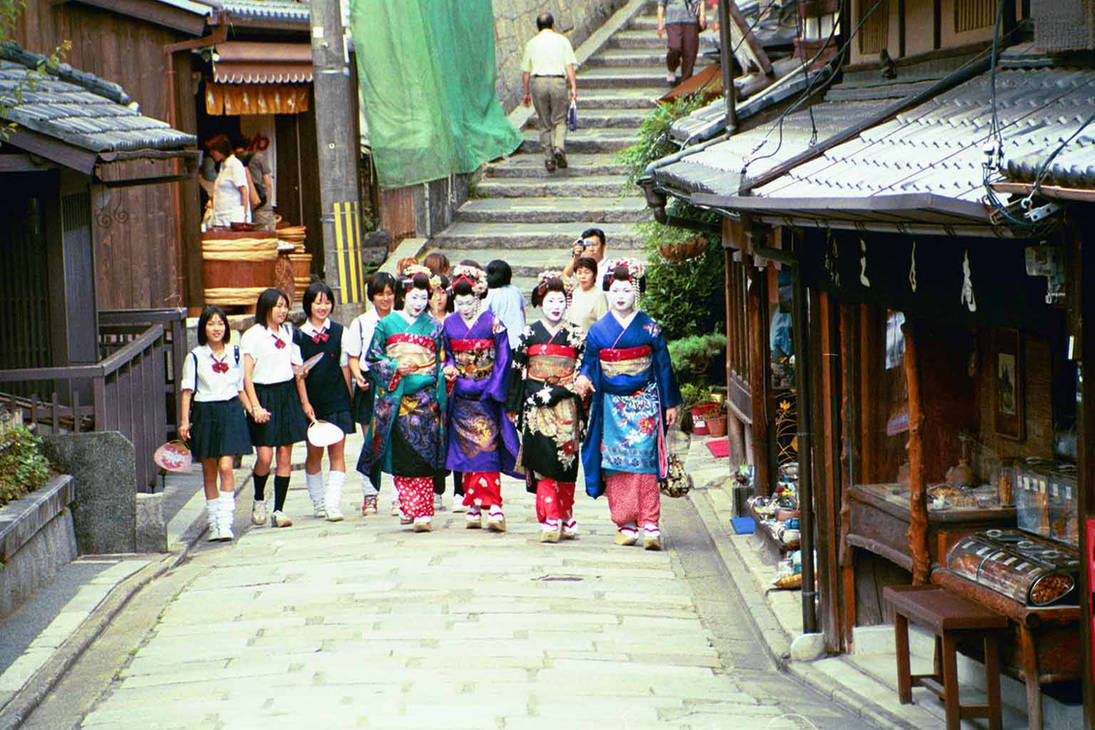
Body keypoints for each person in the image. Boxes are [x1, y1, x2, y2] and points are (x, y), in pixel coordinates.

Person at [574, 259, 682, 550]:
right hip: (611, 404)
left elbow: (663, 367)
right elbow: (588, 363)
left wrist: (670, 403)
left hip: (644, 399)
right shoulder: (598, 331)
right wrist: (583, 378)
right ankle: (625, 523)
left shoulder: (650, 328)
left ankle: (650, 523)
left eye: (627, 290)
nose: (621, 295)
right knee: (615, 463)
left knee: (645, 463)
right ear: (608, 293)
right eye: (615, 290)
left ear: (637, 293)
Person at [357, 266, 447, 533]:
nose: (418, 304)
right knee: (402, 454)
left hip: (425, 398)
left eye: (423, 298)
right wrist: (395, 367)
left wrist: (440, 377)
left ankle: (424, 511)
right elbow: (373, 357)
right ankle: (409, 506)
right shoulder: (386, 325)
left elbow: (441, 362)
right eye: (413, 297)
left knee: (424, 454)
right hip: (397, 398)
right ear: (403, 296)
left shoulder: (435, 327)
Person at [506, 272, 586, 543]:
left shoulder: (575, 334)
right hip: (535, 404)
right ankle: (550, 516)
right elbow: (517, 370)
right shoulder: (529, 334)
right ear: (540, 302)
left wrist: (571, 389)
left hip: (566, 403)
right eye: (551, 300)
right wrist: (515, 404)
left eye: (561, 300)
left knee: (566, 460)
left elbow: (583, 370)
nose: (556, 306)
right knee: (541, 460)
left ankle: (566, 512)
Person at [442, 264, 520, 531]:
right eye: (460, 302)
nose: (464, 307)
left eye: (469, 301)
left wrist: (493, 387)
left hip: (486, 394)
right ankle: (473, 505)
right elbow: (447, 355)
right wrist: (450, 368)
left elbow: (503, 356)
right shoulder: (448, 324)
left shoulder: (492, 322)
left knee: (487, 452)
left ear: (479, 297)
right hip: (462, 396)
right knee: (467, 454)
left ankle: (494, 505)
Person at [178, 306, 253, 542]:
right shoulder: (195, 356)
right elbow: (187, 391)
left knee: (226, 467)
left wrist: (253, 410)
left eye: (220, 323)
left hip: (231, 410)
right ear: (203, 328)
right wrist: (184, 422)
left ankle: (225, 521)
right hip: (206, 412)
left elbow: (240, 388)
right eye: (211, 323)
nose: (217, 328)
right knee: (209, 470)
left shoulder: (235, 353)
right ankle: (214, 523)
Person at [241, 288, 311, 528]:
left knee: (284, 454)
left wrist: (304, 400)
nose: (282, 311)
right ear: (266, 307)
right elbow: (246, 376)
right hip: (262, 394)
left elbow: (295, 368)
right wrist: (255, 407)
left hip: (286, 394)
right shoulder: (252, 335)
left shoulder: (289, 332)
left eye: (285, 306)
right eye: (278, 306)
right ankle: (259, 497)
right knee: (264, 455)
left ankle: (279, 508)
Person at [295, 282, 354, 522]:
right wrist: (305, 403)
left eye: (327, 302)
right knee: (314, 453)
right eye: (318, 302)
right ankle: (318, 501)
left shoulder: (341, 332)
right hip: (313, 401)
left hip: (337, 397)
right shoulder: (298, 335)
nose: (323, 307)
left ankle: (332, 503)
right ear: (308, 304)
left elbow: (345, 367)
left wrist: (349, 397)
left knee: (338, 452)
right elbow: (299, 374)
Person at [346, 271, 397, 515]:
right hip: (370, 381)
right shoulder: (361, 322)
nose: (385, 299)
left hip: (397, 382)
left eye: (389, 293)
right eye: (380, 294)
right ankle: (370, 494)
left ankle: (401, 495)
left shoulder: (401, 320)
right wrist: (357, 377)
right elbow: (354, 357)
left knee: (398, 439)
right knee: (371, 441)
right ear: (372, 297)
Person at [521, 12, 578, 172]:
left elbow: (526, 72)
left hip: (537, 83)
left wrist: (526, 93)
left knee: (544, 123)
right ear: (553, 26)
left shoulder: (531, 43)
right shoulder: (562, 41)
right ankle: (559, 147)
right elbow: (569, 66)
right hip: (557, 82)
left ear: (538, 28)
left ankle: (549, 159)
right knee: (559, 120)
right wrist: (573, 87)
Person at [428, 273, 453, 511]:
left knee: (455, 435)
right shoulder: (423, 322)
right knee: (434, 437)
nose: (438, 298)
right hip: (430, 385)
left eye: (443, 292)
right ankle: (435, 490)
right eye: (434, 293)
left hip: (454, 384)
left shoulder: (454, 320)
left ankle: (459, 490)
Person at [657, 0, 706, 85]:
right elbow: (661, 5)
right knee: (674, 47)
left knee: (690, 52)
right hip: (672, 21)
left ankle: (686, 80)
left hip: (691, 19)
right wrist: (660, 23)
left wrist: (702, 15)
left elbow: (700, 1)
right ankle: (671, 68)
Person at [205, 135, 250, 227]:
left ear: (221, 150)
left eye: (213, 151)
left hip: (232, 217)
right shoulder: (223, 166)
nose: (211, 153)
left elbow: (244, 190)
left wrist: (244, 216)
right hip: (220, 217)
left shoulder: (235, 165)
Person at [484, 259, 526, 350]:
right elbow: (523, 311)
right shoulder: (516, 290)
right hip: (519, 337)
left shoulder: (489, 294)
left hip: (501, 340)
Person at [237, 139, 276, 232]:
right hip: (261, 201)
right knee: (266, 234)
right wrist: (268, 202)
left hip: (245, 202)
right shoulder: (258, 157)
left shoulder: (234, 161)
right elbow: (268, 183)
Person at [567, 256, 608, 331]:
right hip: (572, 339)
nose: (583, 276)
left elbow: (603, 325)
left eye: (587, 273)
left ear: (594, 275)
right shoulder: (575, 292)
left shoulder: (599, 295)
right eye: (579, 273)